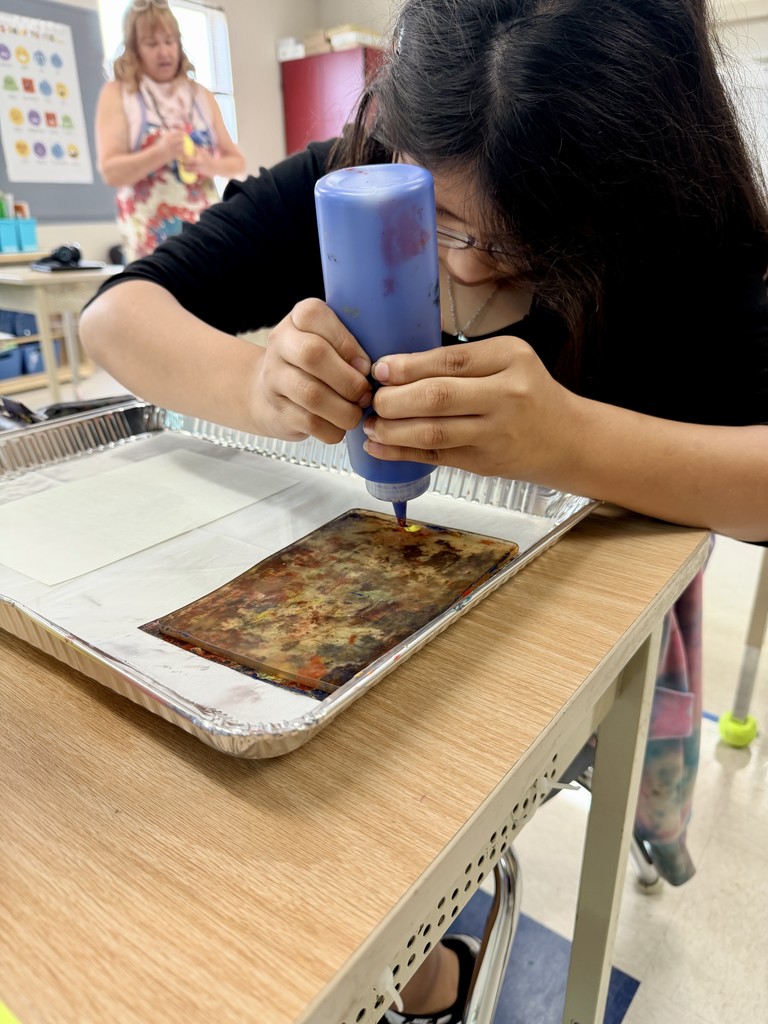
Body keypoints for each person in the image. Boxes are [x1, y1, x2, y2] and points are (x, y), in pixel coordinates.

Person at [81, 0, 768, 1021]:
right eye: (441, 222)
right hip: (373, 596)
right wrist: (254, 380)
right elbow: (116, 315)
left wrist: (572, 441)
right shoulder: (350, 175)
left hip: (575, 630)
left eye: (525, 243)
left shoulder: (680, 243)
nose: (465, 267)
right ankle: (424, 969)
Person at [94, 0, 245, 262]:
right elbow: (111, 172)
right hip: (151, 240)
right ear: (134, 48)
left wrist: (207, 163)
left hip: (206, 232)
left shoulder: (201, 96)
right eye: (152, 44)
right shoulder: (119, 94)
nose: (164, 52)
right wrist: (160, 153)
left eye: (170, 41)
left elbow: (237, 163)